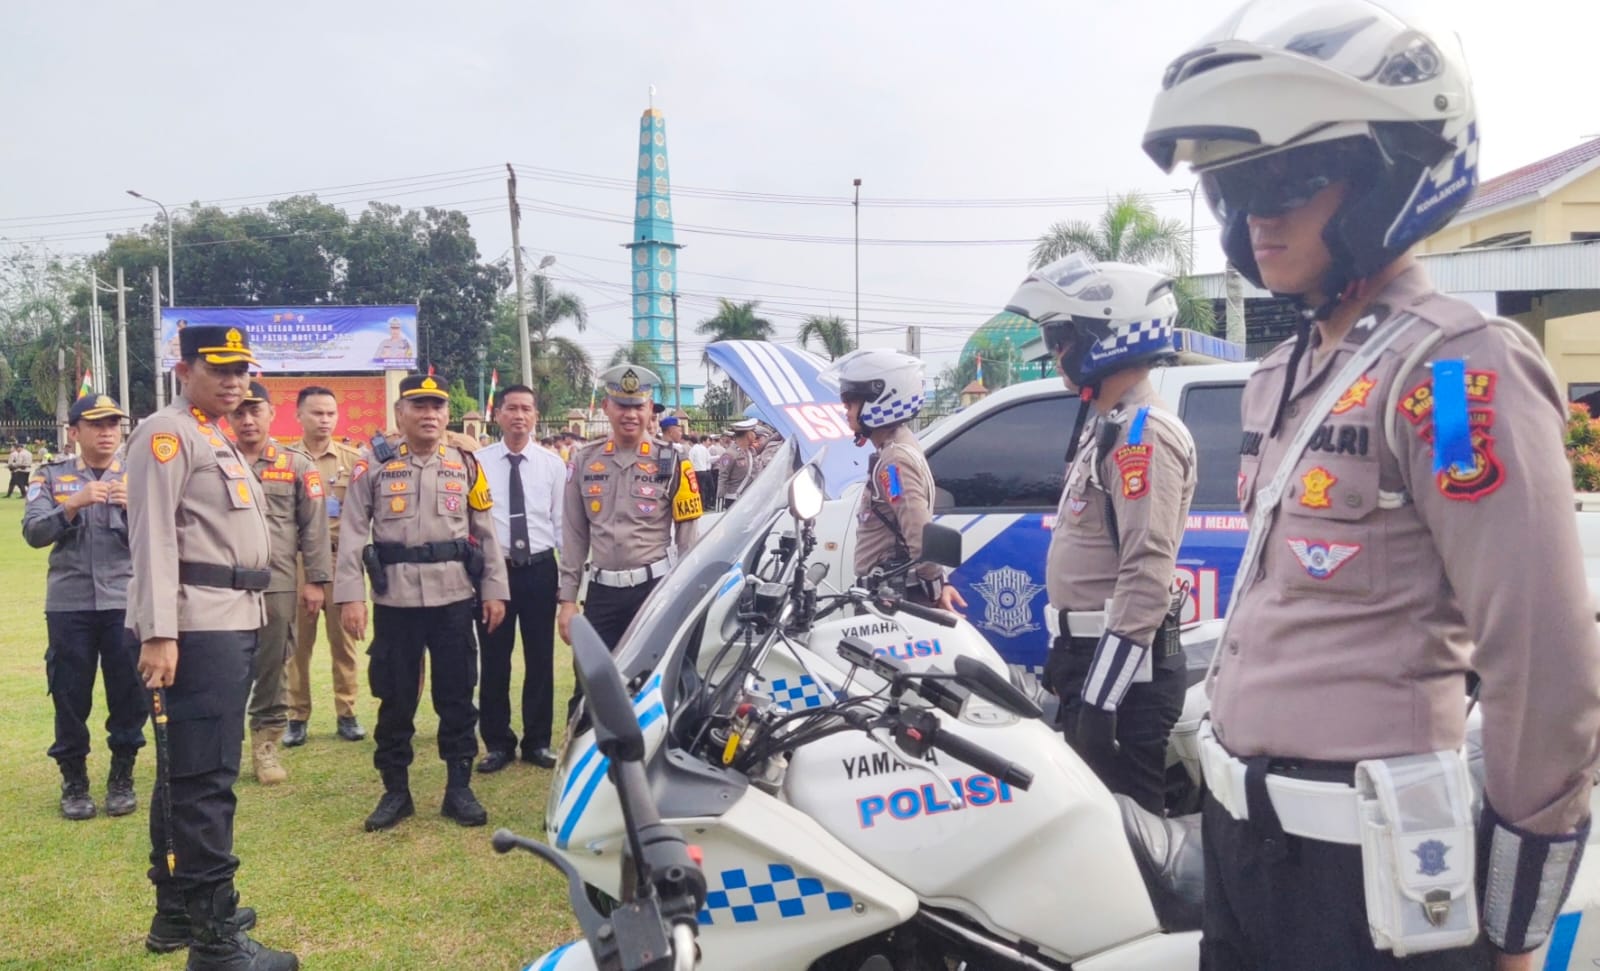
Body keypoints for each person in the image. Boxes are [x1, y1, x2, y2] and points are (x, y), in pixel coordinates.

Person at [1144, 3, 1600, 968]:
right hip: (1244, 848)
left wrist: (1517, 924)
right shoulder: (1284, 374)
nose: (1256, 215)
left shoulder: (1448, 375)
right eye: (1238, 186)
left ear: (1387, 175)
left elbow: (1542, 664)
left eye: (1288, 180)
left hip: (1364, 880)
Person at [125, 324, 296, 968]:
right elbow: (153, 539)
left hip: (230, 616)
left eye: (242, 370)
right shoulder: (166, 433)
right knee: (206, 782)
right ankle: (217, 942)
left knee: (187, 773)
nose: (234, 380)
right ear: (184, 366)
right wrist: (160, 631)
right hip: (196, 627)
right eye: (219, 368)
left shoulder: (212, 433)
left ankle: (177, 911)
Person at [1006, 256, 1196, 815]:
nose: (1056, 351)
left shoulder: (1145, 435)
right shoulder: (1108, 427)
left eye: (1062, 336)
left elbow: (1145, 570)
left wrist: (1100, 700)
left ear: (1104, 336)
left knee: (1129, 835)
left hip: (1122, 674)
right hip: (1088, 656)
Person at [332, 374, 509, 832]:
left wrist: (494, 589)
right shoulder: (373, 464)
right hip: (396, 600)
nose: (430, 414)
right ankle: (395, 791)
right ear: (400, 414)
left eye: (437, 406)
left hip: (454, 598)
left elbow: (485, 531)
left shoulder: (466, 462)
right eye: (419, 405)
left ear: (448, 414)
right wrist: (351, 595)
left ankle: (458, 788)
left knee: (456, 695)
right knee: (394, 700)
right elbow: (353, 531)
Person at [23, 394, 147, 821]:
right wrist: (72, 504)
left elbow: (170, 537)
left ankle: (122, 776)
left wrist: (138, 511)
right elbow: (34, 533)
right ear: (74, 432)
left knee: (129, 692)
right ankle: (74, 781)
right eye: (96, 424)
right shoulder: (51, 476)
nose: (108, 431)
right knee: (70, 694)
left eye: (114, 423)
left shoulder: (140, 477)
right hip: (69, 605)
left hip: (125, 602)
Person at [558, 365, 701, 657]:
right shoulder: (584, 460)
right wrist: (568, 600)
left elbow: (687, 539)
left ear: (650, 410)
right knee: (590, 687)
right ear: (606, 407)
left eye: (638, 406)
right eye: (622, 405)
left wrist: (686, 596)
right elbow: (574, 536)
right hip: (601, 593)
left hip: (653, 591)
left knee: (650, 683)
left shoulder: (674, 461)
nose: (630, 414)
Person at [230, 383, 331, 785]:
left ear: (272, 414)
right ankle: (221, 745)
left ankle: (267, 746)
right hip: (223, 585)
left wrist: (317, 582)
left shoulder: (296, 465)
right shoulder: (216, 460)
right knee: (223, 664)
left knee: (273, 663)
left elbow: (315, 529)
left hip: (278, 582)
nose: (248, 419)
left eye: (256, 411)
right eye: (239, 412)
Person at [822, 349, 965, 614]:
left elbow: (918, 531)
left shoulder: (893, 464)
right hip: (889, 593)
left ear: (882, 402)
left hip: (892, 601)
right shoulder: (896, 448)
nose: (846, 411)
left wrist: (935, 590)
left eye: (851, 403)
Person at [474, 385, 564, 773]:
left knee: (540, 658)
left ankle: (537, 741)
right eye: (511, 408)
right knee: (494, 659)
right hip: (496, 572)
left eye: (526, 409)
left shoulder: (552, 464)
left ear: (536, 416)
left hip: (541, 570)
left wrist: (569, 582)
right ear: (498, 416)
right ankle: (497, 742)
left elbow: (561, 524)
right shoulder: (477, 462)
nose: (519, 416)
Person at [286, 386, 366, 747]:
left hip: (340, 559)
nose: (324, 420)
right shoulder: (284, 460)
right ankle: (296, 716)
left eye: (330, 414)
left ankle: (346, 713)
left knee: (344, 642)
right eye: (316, 413)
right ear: (299, 416)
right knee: (297, 645)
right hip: (298, 561)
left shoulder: (353, 459)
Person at [714, 419, 758, 508]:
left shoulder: (751, 451)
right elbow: (723, 477)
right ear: (748, 435)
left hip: (750, 497)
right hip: (734, 499)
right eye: (753, 431)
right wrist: (720, 499)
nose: (755, 435)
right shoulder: (729, 454)